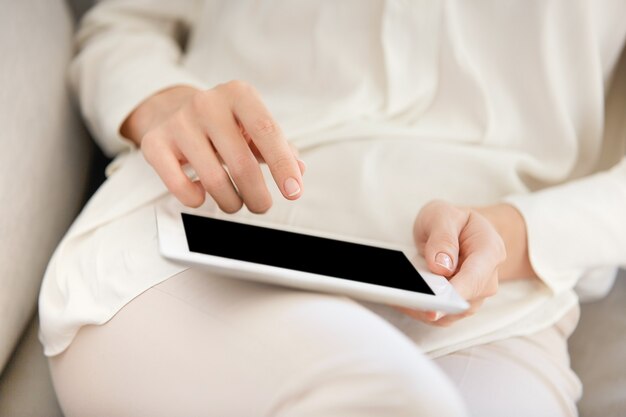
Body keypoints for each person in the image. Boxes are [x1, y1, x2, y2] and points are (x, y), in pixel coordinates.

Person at [40, 1, 626, 416]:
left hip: (483, 306)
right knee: (389, 399)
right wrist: (169, 106)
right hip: (196, 243)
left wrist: (514, 232)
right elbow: (123, 27)